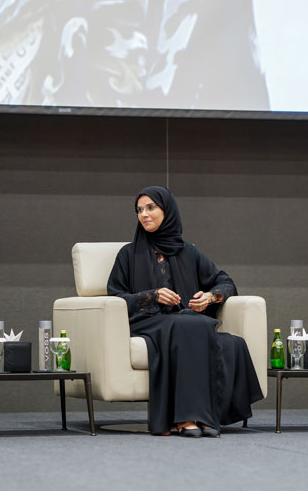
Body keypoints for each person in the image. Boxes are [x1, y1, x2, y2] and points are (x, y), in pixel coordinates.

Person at [107, 186, 263, 437]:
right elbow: (115, 297)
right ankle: (187, 417)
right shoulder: (128, 254)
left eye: (150, 207)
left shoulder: (189, 252)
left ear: (167, 211)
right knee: (193, 325)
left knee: (226, 340)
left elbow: (225, 282)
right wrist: (153, 296)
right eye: (139, 210)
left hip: (184, 321)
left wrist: (210, 297)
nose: (143, 214)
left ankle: (205, 417)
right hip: (146, 321)